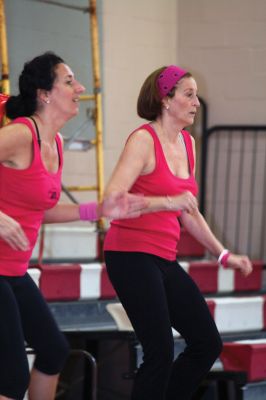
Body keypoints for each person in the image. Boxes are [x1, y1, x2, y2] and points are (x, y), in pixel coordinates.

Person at [0, 51, 147, 400]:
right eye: (69, 81)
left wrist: (100, 208)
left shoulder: (56, 144)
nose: (80, 87)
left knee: (53, 350)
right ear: (45, 94)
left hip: (13, 270)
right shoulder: (21, 135)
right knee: (11, 376)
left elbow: (41, 210)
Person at [103, 65, 253, 400]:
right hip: (130, 254)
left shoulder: (187, 143)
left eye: (195, 95)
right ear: (165, 99)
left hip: (163, 258)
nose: (196, 102)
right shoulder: (143, 140)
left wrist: (223, 254)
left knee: (206, 343)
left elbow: (188, 211)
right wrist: (167, 200)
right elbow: (112, 201)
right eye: (188, 94)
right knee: (159, 351)